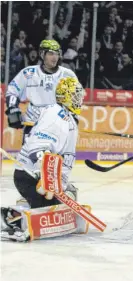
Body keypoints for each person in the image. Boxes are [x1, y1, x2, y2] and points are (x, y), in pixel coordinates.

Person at [1, 77, 85, 242]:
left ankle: (26, 205)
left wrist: (61, 183)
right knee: (44, 210)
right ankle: (11, 216)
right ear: (65, 96)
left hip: (45, 178)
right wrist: (44, 171)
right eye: (76, 95)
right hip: (29, 176)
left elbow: (66, 157)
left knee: (58, 203)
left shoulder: (70, 121)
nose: (79, 99)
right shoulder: (55, 113)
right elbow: (39, 144)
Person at [5, 39, 79, 206]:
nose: (55, 57)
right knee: (32, 164)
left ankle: (58, 189)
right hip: (33, 127)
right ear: (42, 54)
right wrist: (13, 110)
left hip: (57, 126)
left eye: (57, 54)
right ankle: (33, 194)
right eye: (51, 53)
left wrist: (72, 122)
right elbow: (12, 91)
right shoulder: (28, 73)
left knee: (56, 164)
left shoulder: (67, 74)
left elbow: (75, 100)